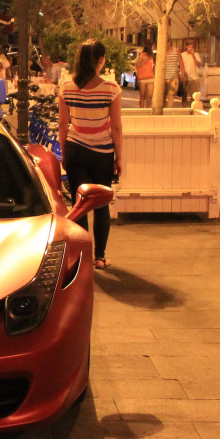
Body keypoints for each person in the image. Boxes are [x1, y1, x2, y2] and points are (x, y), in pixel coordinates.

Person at [59, 39, 123, 270]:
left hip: (76, 150)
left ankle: (83, 256)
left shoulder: (67, 87)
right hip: (102, 154)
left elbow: (63, 125)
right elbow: (116, 127)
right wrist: (119, 158)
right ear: (101, 60)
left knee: (80, 204)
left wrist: (65, 154)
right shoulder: (111, 89)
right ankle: (100, 256)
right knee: (101, 205)